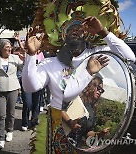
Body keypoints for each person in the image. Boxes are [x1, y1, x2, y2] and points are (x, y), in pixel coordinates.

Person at [22, 16, 135, 152]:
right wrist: (31, 54)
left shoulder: (98, 54)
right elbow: (30, 87)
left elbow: (130, 58)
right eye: (70, 29)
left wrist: (102, 32)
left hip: (82, 138)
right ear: (64, 36)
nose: (75, 30)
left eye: (79, 28)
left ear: (86, 35)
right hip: (58, 130)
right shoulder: (51, 63)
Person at [0, 39, 23, 149]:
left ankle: (10, 130)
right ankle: (0, 138)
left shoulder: (15, 58)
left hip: (13, 88)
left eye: (10, 46)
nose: (9, 48)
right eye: (7, 47)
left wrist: (25, 58)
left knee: (11, 112)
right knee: (1, 115)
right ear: (1, 48)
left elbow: (23, 68)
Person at [62, 76, 110, 147]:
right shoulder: (76, 96)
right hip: (61, 135)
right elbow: (60, 109)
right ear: (92, 85)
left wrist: (99, 134)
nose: (100, 91)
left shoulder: (93, 111)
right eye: (98, 88)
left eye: (102, 91)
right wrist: (70, 122)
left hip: (74, 145)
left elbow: (87, 132)